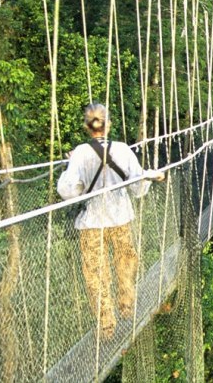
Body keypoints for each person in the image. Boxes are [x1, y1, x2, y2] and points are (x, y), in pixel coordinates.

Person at [57, 103, 164, 339]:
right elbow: (138, 188)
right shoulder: (124, 150)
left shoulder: (81, 153)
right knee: (125, 263)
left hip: (92, 224)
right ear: (110, 124)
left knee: (96, 275)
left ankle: (107, 326)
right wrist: (150, 176)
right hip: (121, 218)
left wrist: (72, 166)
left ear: (87, 126)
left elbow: (67, 191)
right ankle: (126, 305)